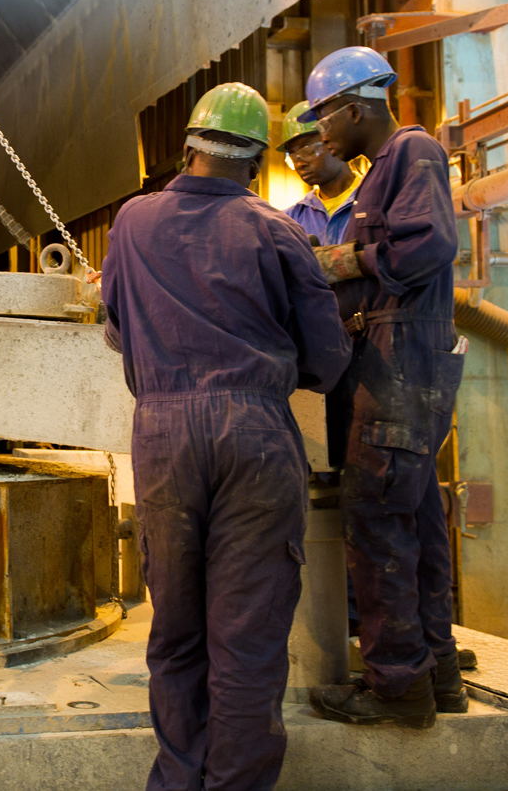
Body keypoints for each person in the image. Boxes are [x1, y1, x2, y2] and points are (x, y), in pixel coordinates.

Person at [102, 82, 351, 791]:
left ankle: (178, 781)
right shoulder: (277, 231)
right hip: (256, 436)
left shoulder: (132, 221)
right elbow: (328, 359)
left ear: (187, 148)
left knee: (175, 633)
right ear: (255, 161)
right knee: (245, 640)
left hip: (163, 436)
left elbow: (116, 325)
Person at [298, 47, 467, 729]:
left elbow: (427, 245)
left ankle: (395, 685)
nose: (320, 134)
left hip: (402, 361)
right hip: (398, 358)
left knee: (375, 516)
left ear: (357, 104)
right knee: (415, 517)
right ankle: (437, 674)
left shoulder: (412, 152)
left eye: (324, 116)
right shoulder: (381, 172)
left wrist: (341, 261)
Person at [279, 101, 366, 245]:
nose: (300, 163)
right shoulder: (290, 219)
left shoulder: (373, 201)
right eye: (293, 155)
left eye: (307, 150)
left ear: (332, 140)